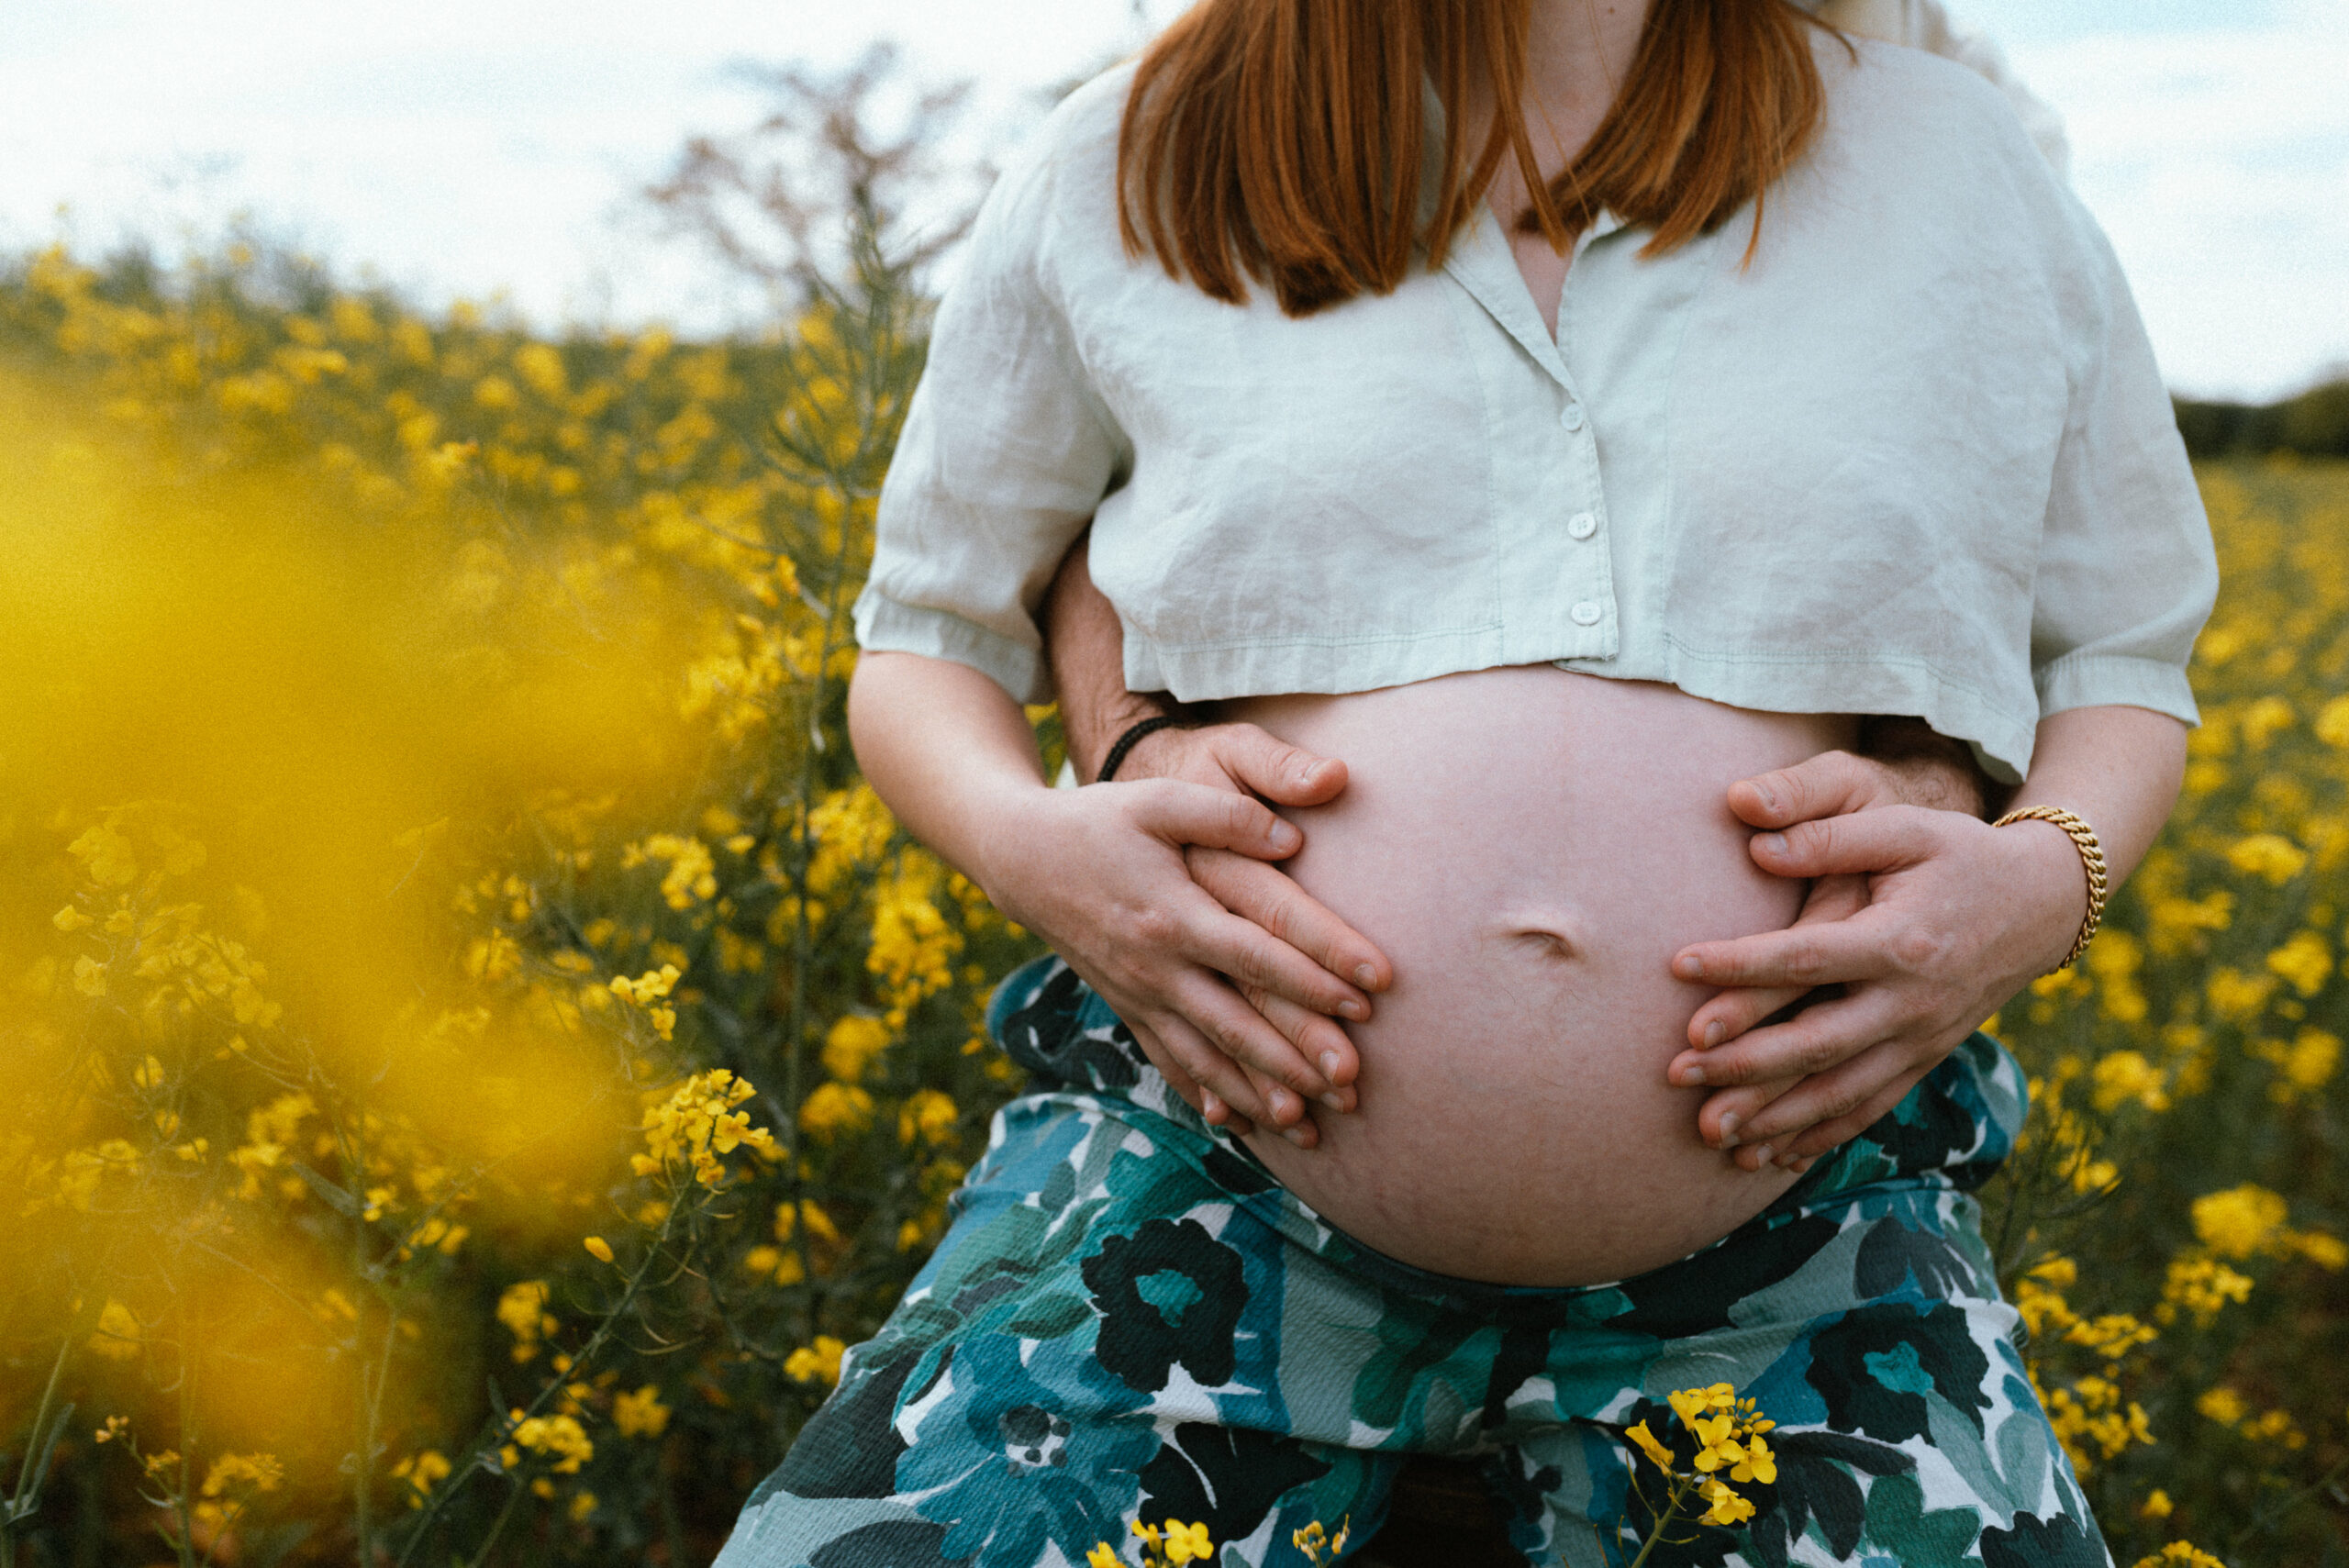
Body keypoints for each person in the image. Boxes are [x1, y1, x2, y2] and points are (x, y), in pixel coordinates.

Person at [718, 0, 2215, 1562]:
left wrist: (2044, 881)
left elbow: (2120, 653)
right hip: (1202, 1156)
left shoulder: (1952, 160)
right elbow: (924, 641)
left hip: (1808, 1208)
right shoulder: (1131, 152)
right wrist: (1038, 845)